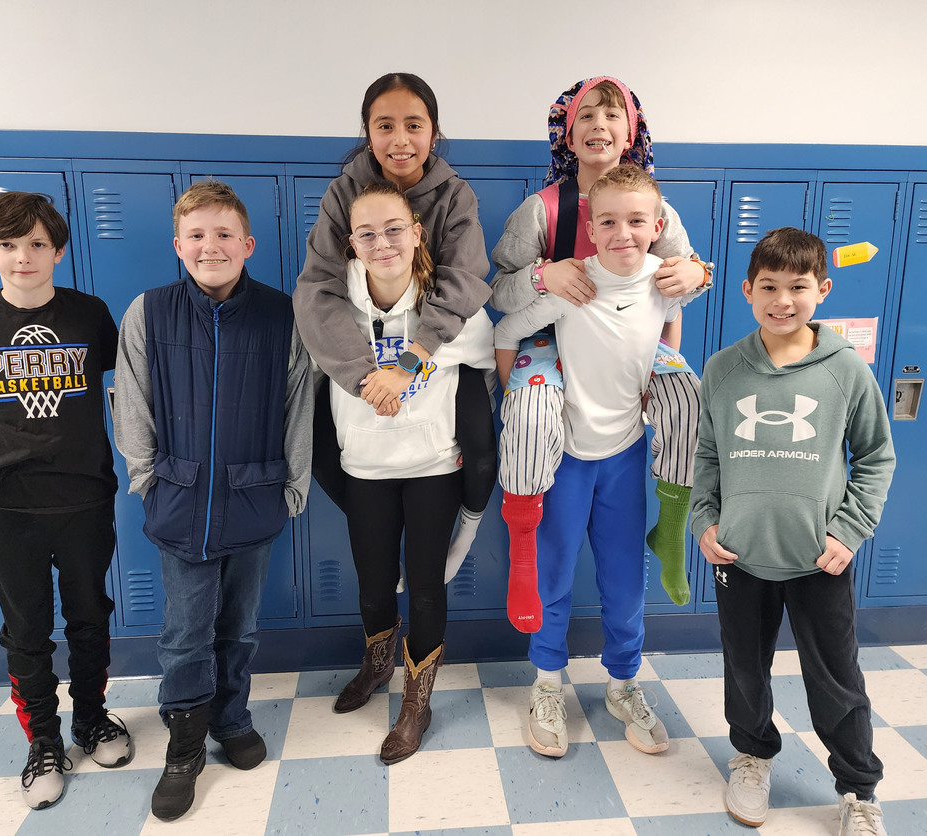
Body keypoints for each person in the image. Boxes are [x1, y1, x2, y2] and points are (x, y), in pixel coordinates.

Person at [113, 181, 312, 821]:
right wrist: (147, 478)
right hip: (180, 500)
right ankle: (186, 746)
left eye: (224, 234)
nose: (211, 246)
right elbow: (132, 404)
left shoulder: (284, 316)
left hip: (254, 499)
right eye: (197, 235)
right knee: (184, 633)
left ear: (248, 244)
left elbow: (298, 409)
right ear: (178, 246)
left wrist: (292, 488)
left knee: (241, 627)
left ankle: (232, 718)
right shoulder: (149, 312)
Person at [690, 227, 894, 835]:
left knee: (836, 680)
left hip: (819, 559)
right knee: (744, 669)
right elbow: (706, 457)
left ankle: (858, 791)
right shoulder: (723, 371)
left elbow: (877, 456)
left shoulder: (846, 370)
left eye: (798, 287)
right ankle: (752, 758)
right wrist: (704, 518)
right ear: (748, 291)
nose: (783, 300)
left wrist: (850, 530)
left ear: (822, 290)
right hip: (740, 556)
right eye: (769, 287)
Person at [490, 76, 708, 634]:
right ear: (567, 132)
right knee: (533, 408)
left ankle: (673, 522)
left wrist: (697, 272)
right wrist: (543, 274)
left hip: (631, 347)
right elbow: (500, 293)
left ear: (631, 131)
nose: (598, 126)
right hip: (552, 339)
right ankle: (522, 547)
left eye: (612, 116)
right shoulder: (541, 210)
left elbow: (681, 282)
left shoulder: (656, 206)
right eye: (585, 116)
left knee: (687, 395)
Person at [0, 192, 132, 810]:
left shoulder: (89, 314)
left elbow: (107, 386)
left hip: (83, 497)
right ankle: (44, 743)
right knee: (26, 630)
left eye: (37, 244)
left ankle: (92, 720)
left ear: (58, 248)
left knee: (89, 616)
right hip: (9, 502)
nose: (23, 256)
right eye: (8, 245)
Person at [493, 164, 683, 759]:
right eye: (608, 222)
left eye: (635, 221)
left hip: (625, 456)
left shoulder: (663, 278)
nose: (623, 233)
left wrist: (664, 372)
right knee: (550, 576)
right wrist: (520, 399)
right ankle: (547, 684)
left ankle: (624, 684)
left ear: (656, 227)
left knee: (625, 581)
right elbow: (508, 327)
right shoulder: (574, 283)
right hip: (567, 456)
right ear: (591, 231)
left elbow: (686, 297)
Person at [317, 182, 495, 764]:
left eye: (395, 228)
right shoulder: (333, 302)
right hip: (364, 467)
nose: (383, 242)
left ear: (418, 233)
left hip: (431, 467)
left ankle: (416, 702)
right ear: (350, 244)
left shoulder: (450, 309)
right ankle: (376, 663)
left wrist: (476, 481)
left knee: (424, 585)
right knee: (373, 582)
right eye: (367, 233)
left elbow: (477, 388)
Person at [293, 72, 496, 578]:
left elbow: (464, 281)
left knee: (481, 448)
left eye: (414, 124)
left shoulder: (454, 196)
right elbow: (317, 289)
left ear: (433, 131)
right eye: (385, 125)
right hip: (365, 353)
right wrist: (367, 376)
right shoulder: (343, 194)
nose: (400, 139)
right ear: (368, 132)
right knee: (317, 448)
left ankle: (466, 525)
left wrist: (409, 363)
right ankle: (379, 534)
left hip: (444, 345)